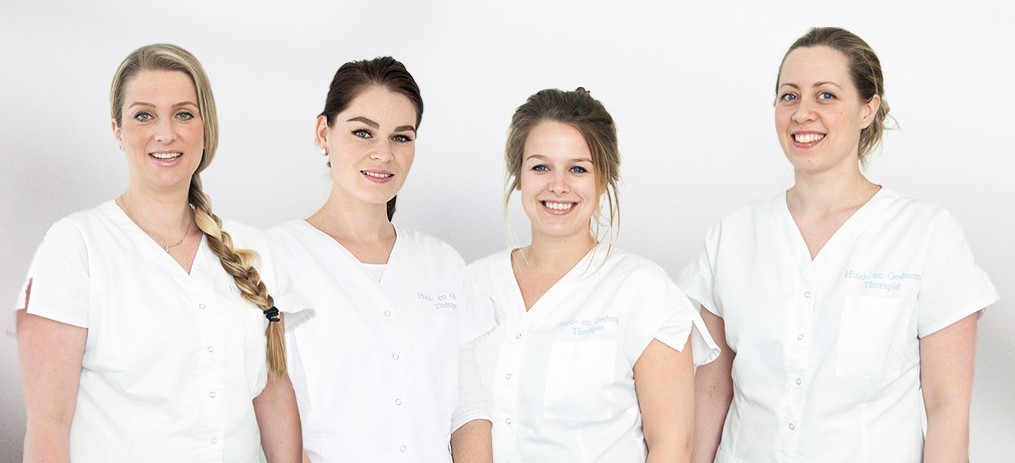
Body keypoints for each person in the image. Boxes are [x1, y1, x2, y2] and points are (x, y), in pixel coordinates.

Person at [680, 27, 999, 463]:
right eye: (789, 96)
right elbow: (712, 390)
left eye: (826, 95)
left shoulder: (925, 234)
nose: (802, 113)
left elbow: (946, 408)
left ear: (868, 109)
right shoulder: (733, 235)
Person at [14, 44, 303, 462]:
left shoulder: (254, 250)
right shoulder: (77, 246)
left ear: (206, 127)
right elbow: (49, 424)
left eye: (183, 114)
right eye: (144, 115)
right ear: (117, 130)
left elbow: (272, 394)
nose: (165, 133)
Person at [467, 88, 719, 462]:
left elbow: (672, 446)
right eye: (540, 167)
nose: (558, 185)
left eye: (578, 169)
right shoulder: (471, 286)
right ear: (518, 175)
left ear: (603, 179)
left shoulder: (643, 291)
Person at [267, 56, 492, 463]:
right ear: (323, 132)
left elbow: (468, 411)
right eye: (362, 133)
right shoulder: (275, 260)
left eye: (400, 137)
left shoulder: (442, 264)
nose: (383, 153)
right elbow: (270, 424)